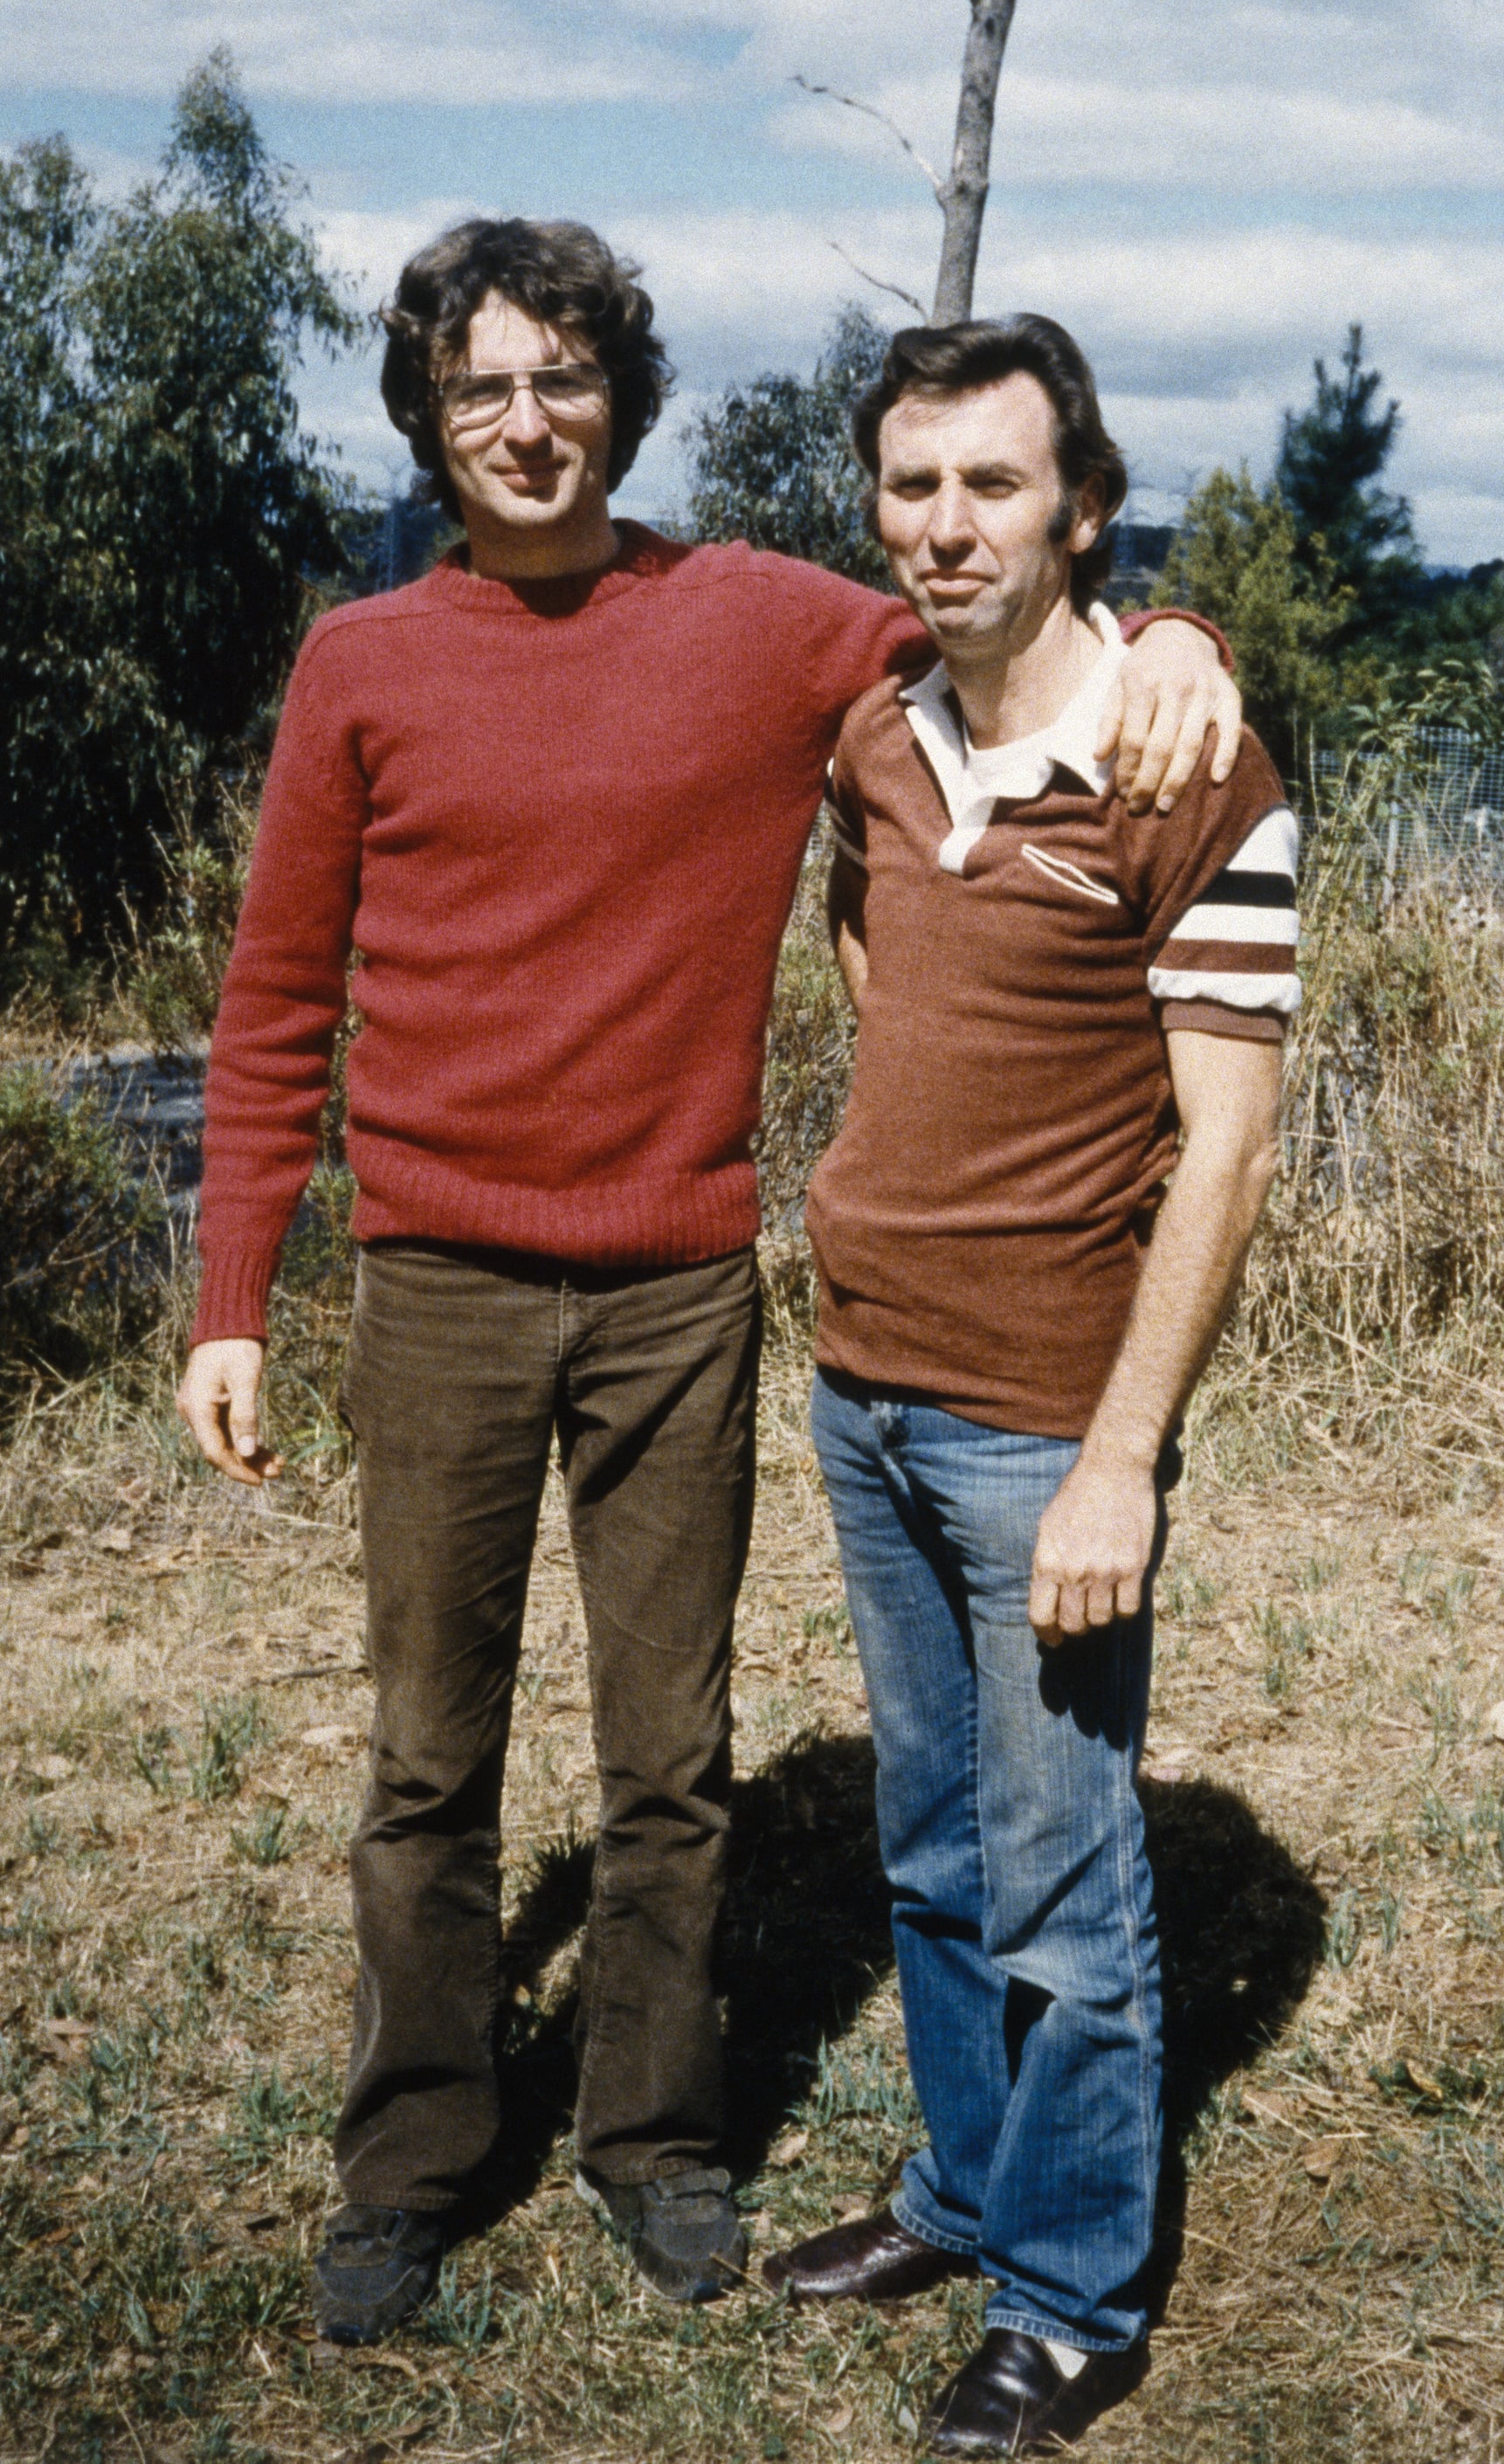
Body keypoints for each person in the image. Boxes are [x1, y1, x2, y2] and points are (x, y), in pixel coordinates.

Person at [173, 217, 1244, 2346]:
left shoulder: (759, 620)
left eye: (561, 375)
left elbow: (999, 610)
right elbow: (276, 996)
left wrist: (1179, 627)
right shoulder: (361, 660)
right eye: (480, 382)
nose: (523, 418)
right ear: (430, 413)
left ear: (615, 400)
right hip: (436, 1283)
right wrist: (229, 1291)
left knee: (670, 1760)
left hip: (678, 1286)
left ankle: (655, 2141)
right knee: (425, 1756)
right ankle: (413, 2151)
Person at [761, 315, 1295, 2456]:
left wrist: (1120, 1460)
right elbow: (879, 964)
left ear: (1082, 502)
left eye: (993, 483)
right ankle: (964, 2184)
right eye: (912, 486)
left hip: (1040, 1431)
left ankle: (1074, 2293)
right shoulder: (874, 739)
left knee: (1066, 1876)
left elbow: (1229, 1141)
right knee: (930, 1835)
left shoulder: (1191, 761)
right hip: (863, 1383)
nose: (946, 524)